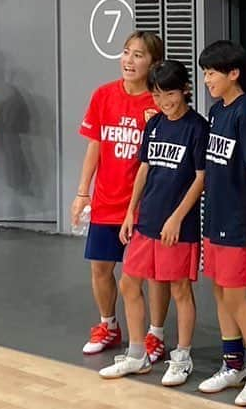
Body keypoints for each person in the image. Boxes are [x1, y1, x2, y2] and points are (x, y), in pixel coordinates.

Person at [99, 60, 208, 387]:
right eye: (158, 96)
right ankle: (136, 355)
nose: (163, 102)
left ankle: (182, 356)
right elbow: (144, 169)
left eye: (170, 94)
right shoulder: (155, 124)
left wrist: (177, 217)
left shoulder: (197, 127)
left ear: (185, 90)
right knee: (129, 283)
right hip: (146, 221)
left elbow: (201, 178)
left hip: (178, 226)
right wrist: (131, 211)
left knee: (179, 289)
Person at [71, 31, 171, 362]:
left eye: (138, 55)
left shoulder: (159, 104)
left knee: (149, 275)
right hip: (106, 202)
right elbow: (94, 146)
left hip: (144, 206)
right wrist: (83, 192)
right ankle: (108, 325)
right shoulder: (103, 95)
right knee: (101, 268)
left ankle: (154, 334)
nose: (129, 60)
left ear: (153, 63)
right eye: (126, 52)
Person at [196, 40, 246, 406]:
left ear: (233, 73)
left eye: (212, 73)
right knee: (219, 290)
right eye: (205, 73)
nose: (207, 79)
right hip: (214, 216)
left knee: (236, 296)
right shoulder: (216, 112)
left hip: (239, 220)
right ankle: (234, 364)